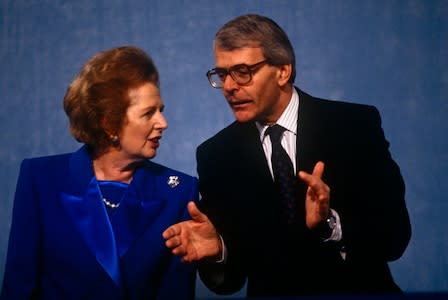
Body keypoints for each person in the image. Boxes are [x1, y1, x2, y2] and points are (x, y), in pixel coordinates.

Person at [163, 14, 411, 297]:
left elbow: (395, 236)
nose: (230, 86)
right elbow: (229, 282)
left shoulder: (354, 126)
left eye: (242, 71)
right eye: (222, 74)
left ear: (282, 71)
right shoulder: (217, 155)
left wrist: (330, 223)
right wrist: (219, 249)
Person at [1, 46, 199, 300]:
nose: (163, 123)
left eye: (161, 110)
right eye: (149, 113)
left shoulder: (180, 191)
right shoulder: (39, 179)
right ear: (109, 123)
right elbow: (18, 288)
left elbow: (176, 294)